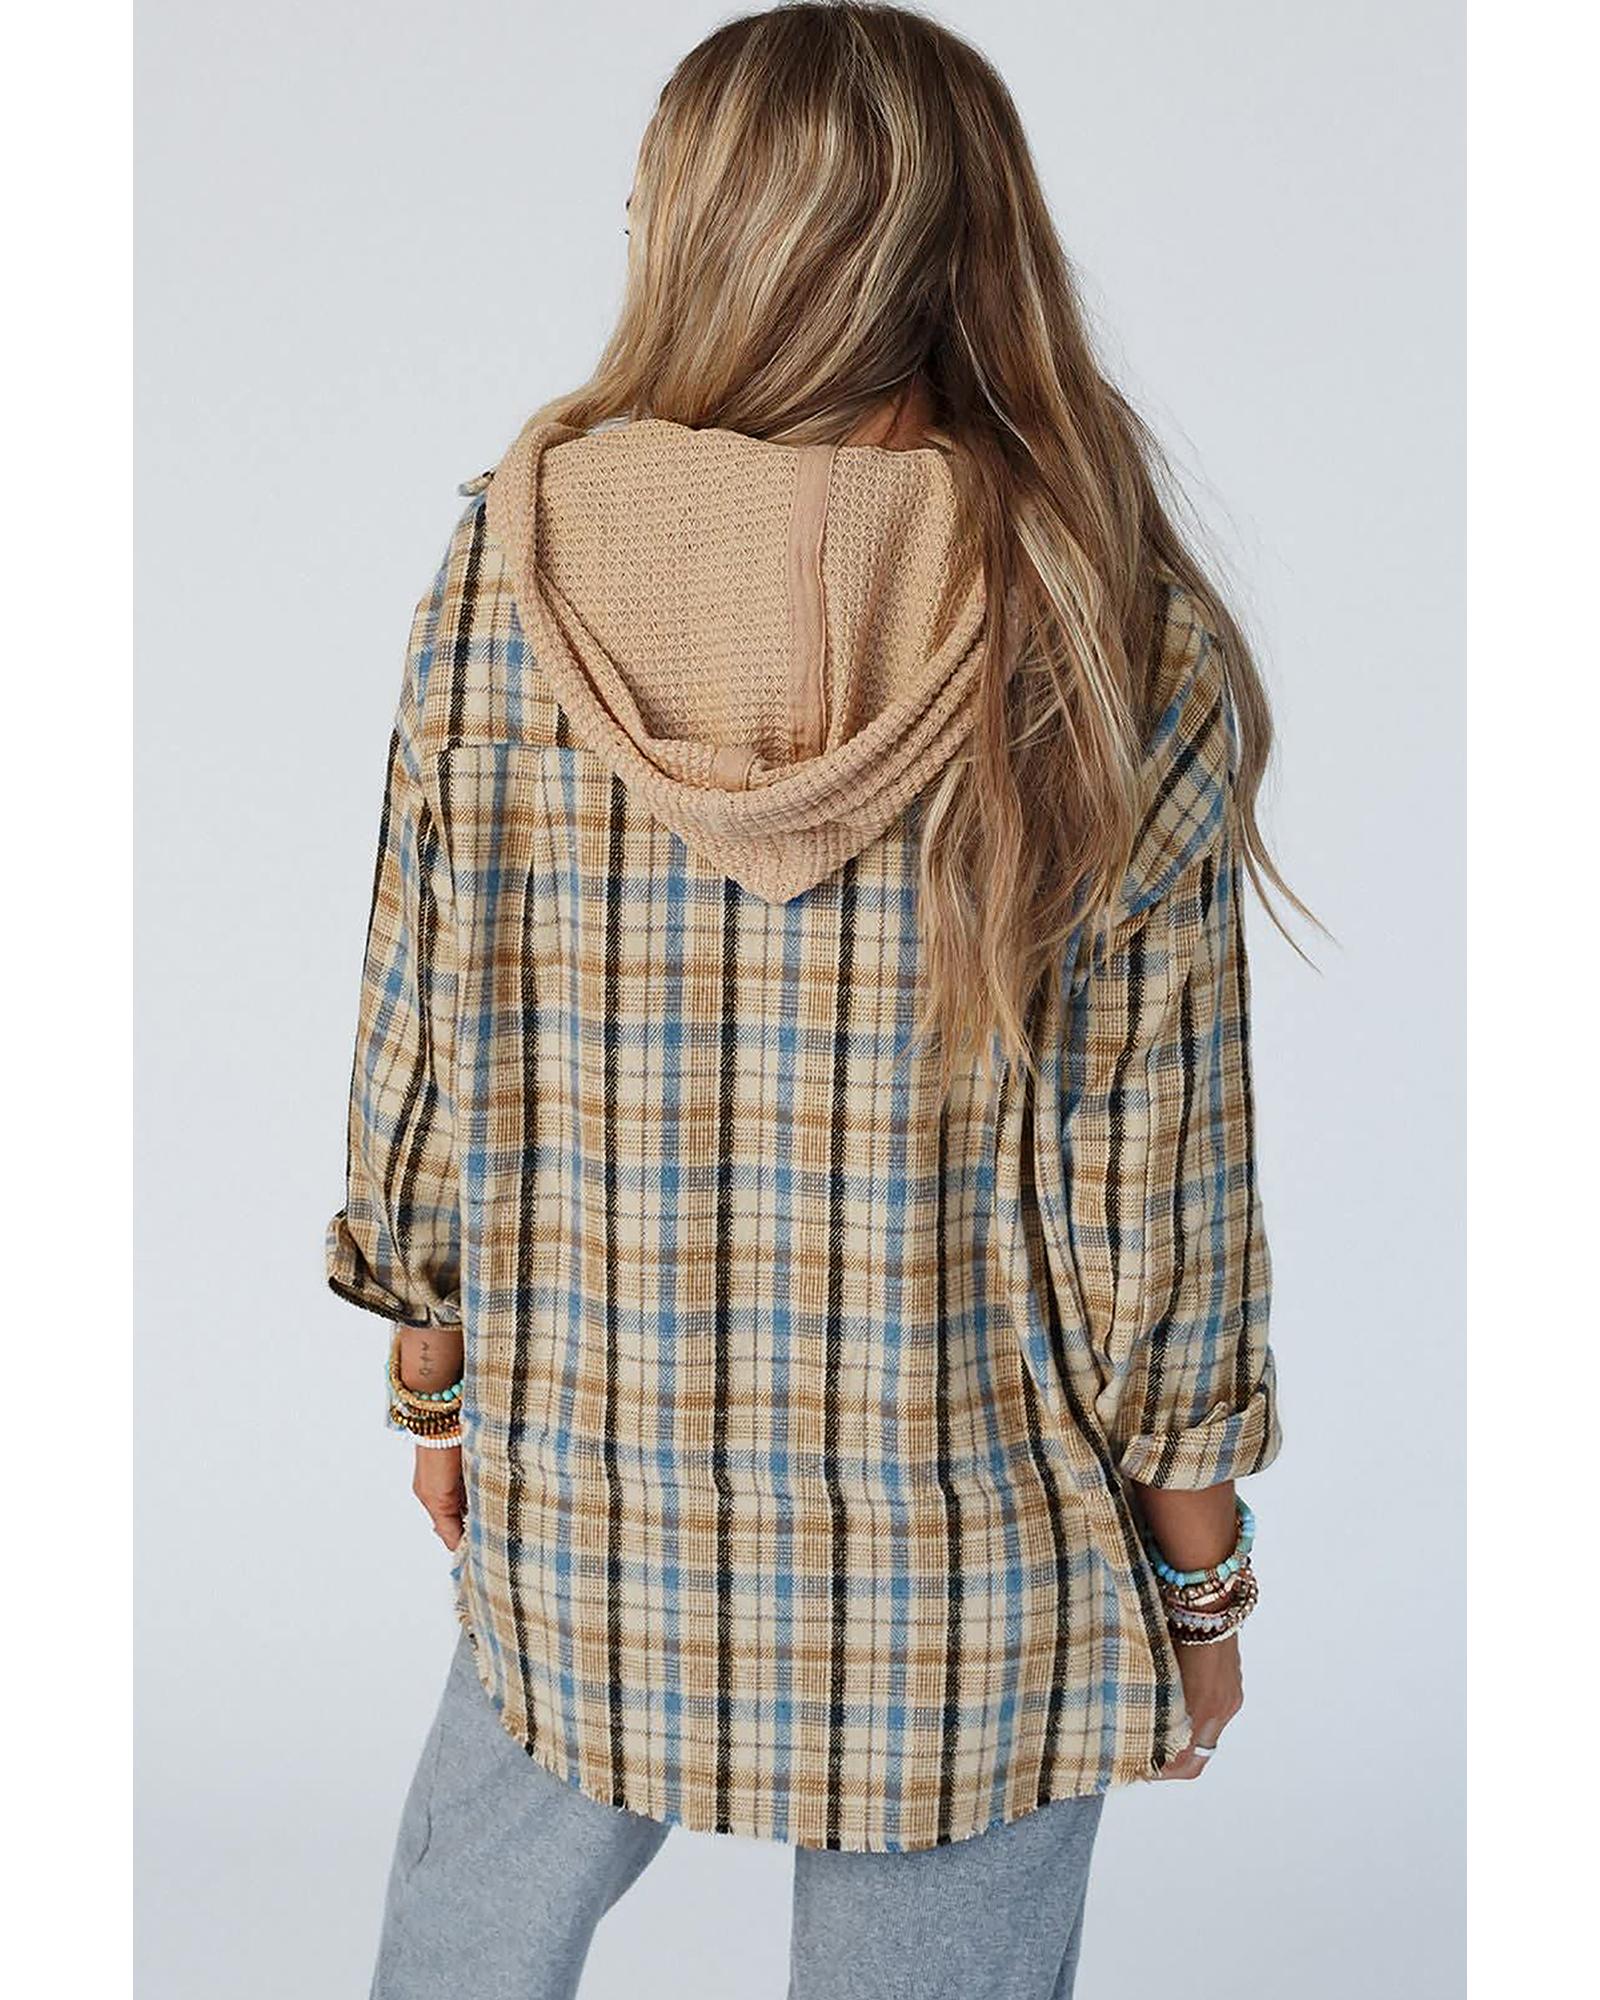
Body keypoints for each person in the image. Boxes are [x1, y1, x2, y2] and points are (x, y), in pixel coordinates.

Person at [325, 6, 1290, 1995]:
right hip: (969, 1561)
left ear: (685, 226)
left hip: (584, 1495)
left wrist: (434, 1381)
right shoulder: (1101, 627)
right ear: (979, 244)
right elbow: (1157, 1194)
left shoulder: (507, 574)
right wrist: (1198, 1579)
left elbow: (415, 1030)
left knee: (461, 1940)